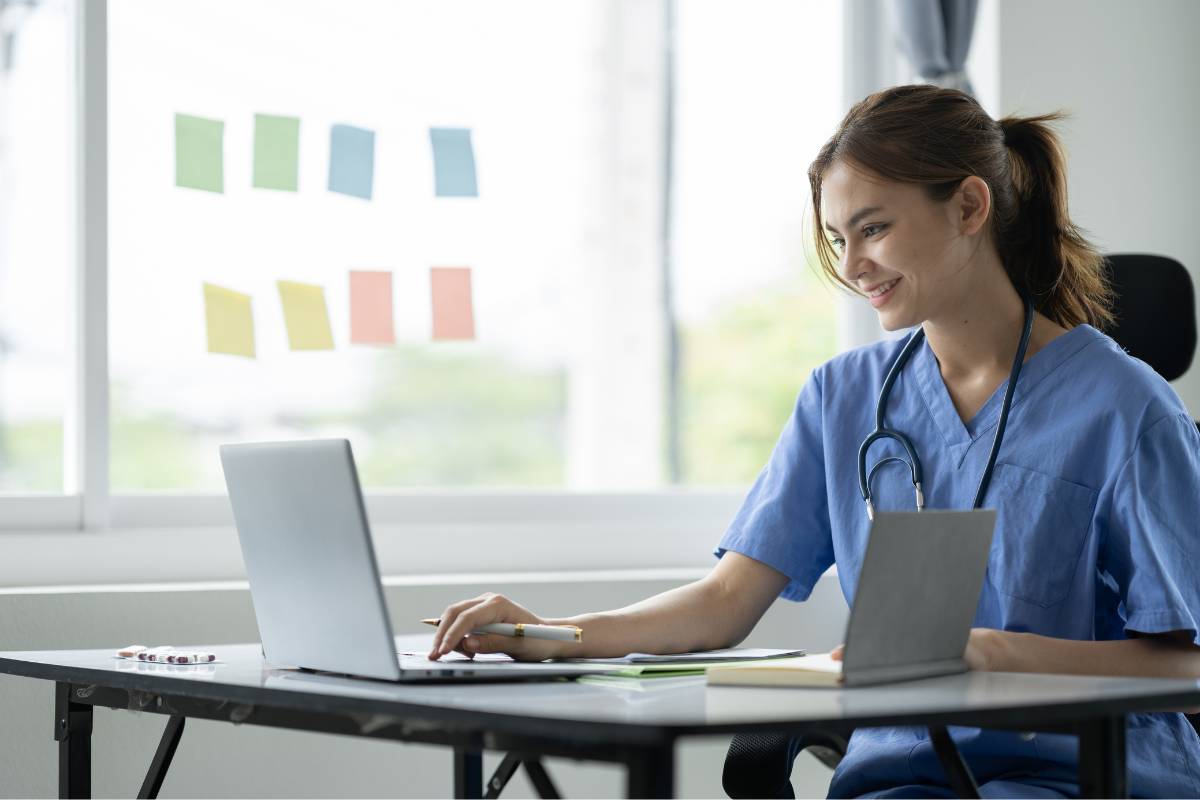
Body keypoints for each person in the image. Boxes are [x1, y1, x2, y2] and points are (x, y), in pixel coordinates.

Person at [427, 84, 1200, 798]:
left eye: (874, 229)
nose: (853, 265)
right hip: (900, 782)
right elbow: (723, 602)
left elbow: (1186, 663)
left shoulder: (1122, 407)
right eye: (838, 237)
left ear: (969, 206)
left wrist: (993, 653)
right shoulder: (842, 397)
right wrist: (551, 635)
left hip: (1082, 779)